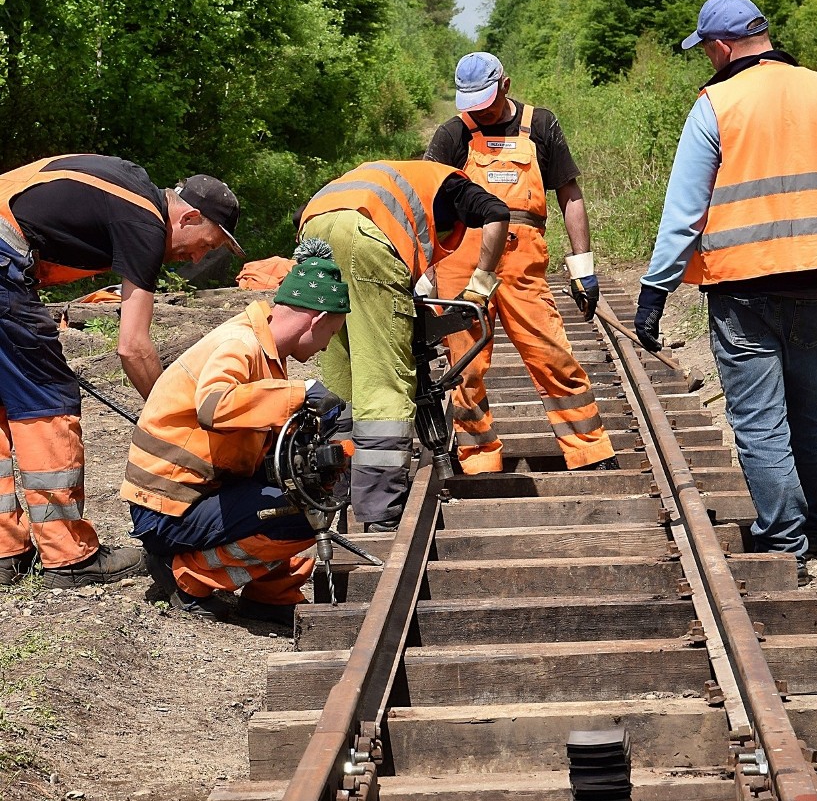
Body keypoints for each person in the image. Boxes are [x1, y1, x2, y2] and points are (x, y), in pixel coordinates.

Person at [634, 0, 817, 576]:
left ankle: (785, 537)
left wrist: (655, 293)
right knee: (809, 407)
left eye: (705, 48)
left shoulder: (716, 105)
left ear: (721, 46)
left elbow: (683, 213)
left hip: (743, 292)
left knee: (760, 419)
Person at [0, 155, 245, 589]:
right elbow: (133, 347)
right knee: (47, 398)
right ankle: (69, 555)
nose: (199, 255)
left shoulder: (129, 185)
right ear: (188, 216)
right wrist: (174, 418)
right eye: (208, 242)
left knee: (4, 403)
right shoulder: (145, 222)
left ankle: (5, 551)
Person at [120, 252, 350, 624]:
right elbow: (214, 406)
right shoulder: (239, 343)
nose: (326, 345)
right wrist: (298, 393)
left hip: (194, 495)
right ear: (317, 319)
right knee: (304, 512)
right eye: (331, 333)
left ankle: (271, 598)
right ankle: (187, 575)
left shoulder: (266, 349)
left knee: (301, 487)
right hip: (167, 508)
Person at [424, 51, 616, 475]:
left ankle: (588, 449)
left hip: (522, 259)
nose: (480, 110)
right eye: (471, 102)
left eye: (487, 99)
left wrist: (582, 265)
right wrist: (424, 269)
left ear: (505, 85)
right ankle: (478, 460)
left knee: (551, 353)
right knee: (464, 368)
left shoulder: (541, 125)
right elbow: (423, 201)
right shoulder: (451, 136)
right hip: (462, 259)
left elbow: (569, 195)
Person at [298, 159, 510, 531]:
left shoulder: (382, 177)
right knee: (385, 379)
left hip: (312, 231)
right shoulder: (451, 185)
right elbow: (497, 212)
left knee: (341, 379)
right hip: (363, 240)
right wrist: (480, 283)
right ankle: (379, 512)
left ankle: (338, 486)